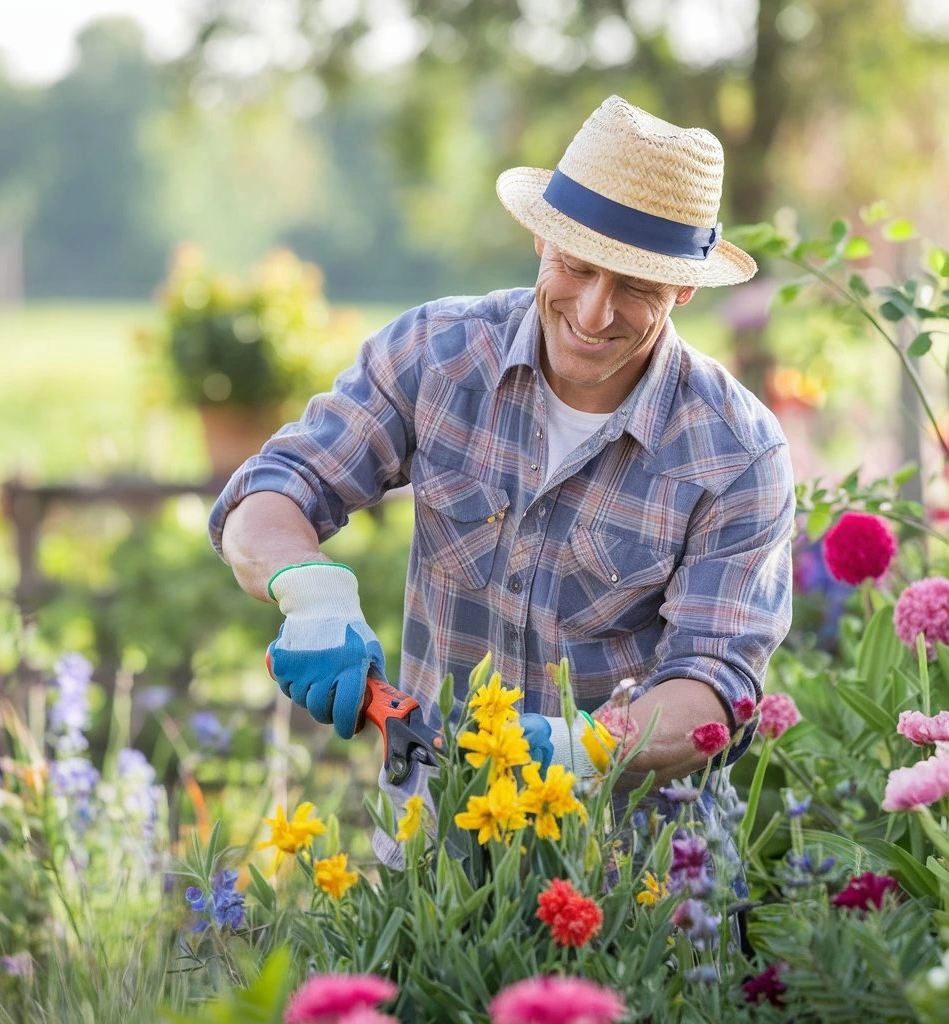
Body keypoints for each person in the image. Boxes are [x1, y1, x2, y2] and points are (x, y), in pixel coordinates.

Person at [209, 96, 795, 861]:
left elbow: (714, 689)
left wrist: (579, 746)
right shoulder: (439, 354)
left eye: (636, 287)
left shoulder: (736, 451)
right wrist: (312, 594)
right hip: (436, 848)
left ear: (684, 288)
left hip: (627, 878)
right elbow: (273, 490)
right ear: (540, 235)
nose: (594, 311)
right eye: (578, 267)